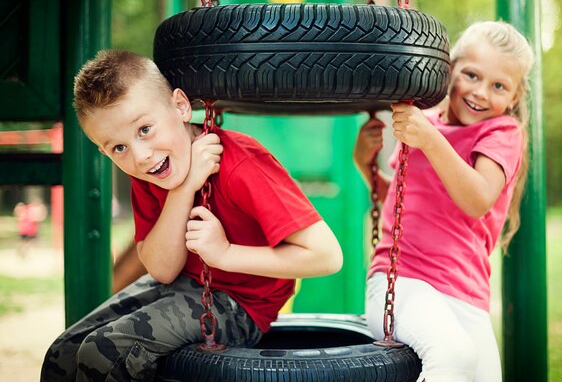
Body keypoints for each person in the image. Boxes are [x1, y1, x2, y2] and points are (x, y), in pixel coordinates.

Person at [41, 50, 343, 382]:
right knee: (63, 352)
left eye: (144, 129)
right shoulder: (148, 174)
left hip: (240, 306)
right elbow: (162, 269)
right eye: (119, 148)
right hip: (181, 284)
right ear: (103, 150)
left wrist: (225, 254)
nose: (140, 156)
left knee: (104, 350)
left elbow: (327, 256)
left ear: (181, 106)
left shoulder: (239, 166)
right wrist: (183, 190)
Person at [353, 21, 535, 382]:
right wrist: (364, 164)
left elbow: (478, 198)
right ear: (449, 70)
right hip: (400, 282)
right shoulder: (422, 125)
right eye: (471, 74)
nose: (481, 92)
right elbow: (405, 200)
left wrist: (430, 139)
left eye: (498, 85)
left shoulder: (501, 133)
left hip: (465, 294)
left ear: (513, 97)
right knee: (453, 357)